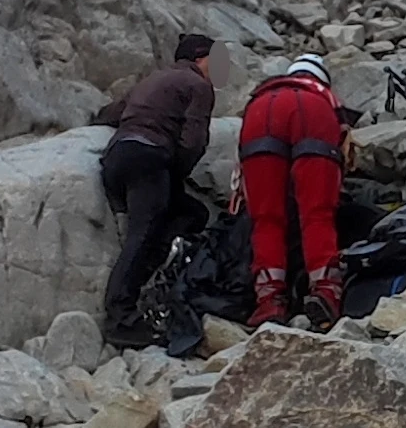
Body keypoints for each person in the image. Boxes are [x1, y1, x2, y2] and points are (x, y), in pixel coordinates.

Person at [98, 33, 217, 348]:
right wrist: (174, 172)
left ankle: (153, 269)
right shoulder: (199, 86)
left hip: (117, 157)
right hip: (149, 159)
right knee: (144, 234)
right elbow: (193, 142)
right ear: (201, 58)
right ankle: (120, 319)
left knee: (193, 213)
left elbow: (110, 113)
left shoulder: (154, 79)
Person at [238, 53, 350, 329]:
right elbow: (346, 145)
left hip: (261, 113)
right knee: (317, 213)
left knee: (266, 218)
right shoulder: (325, 95)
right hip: (313, 112)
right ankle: (325, 290)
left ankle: (269, 300)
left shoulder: (266, 90)